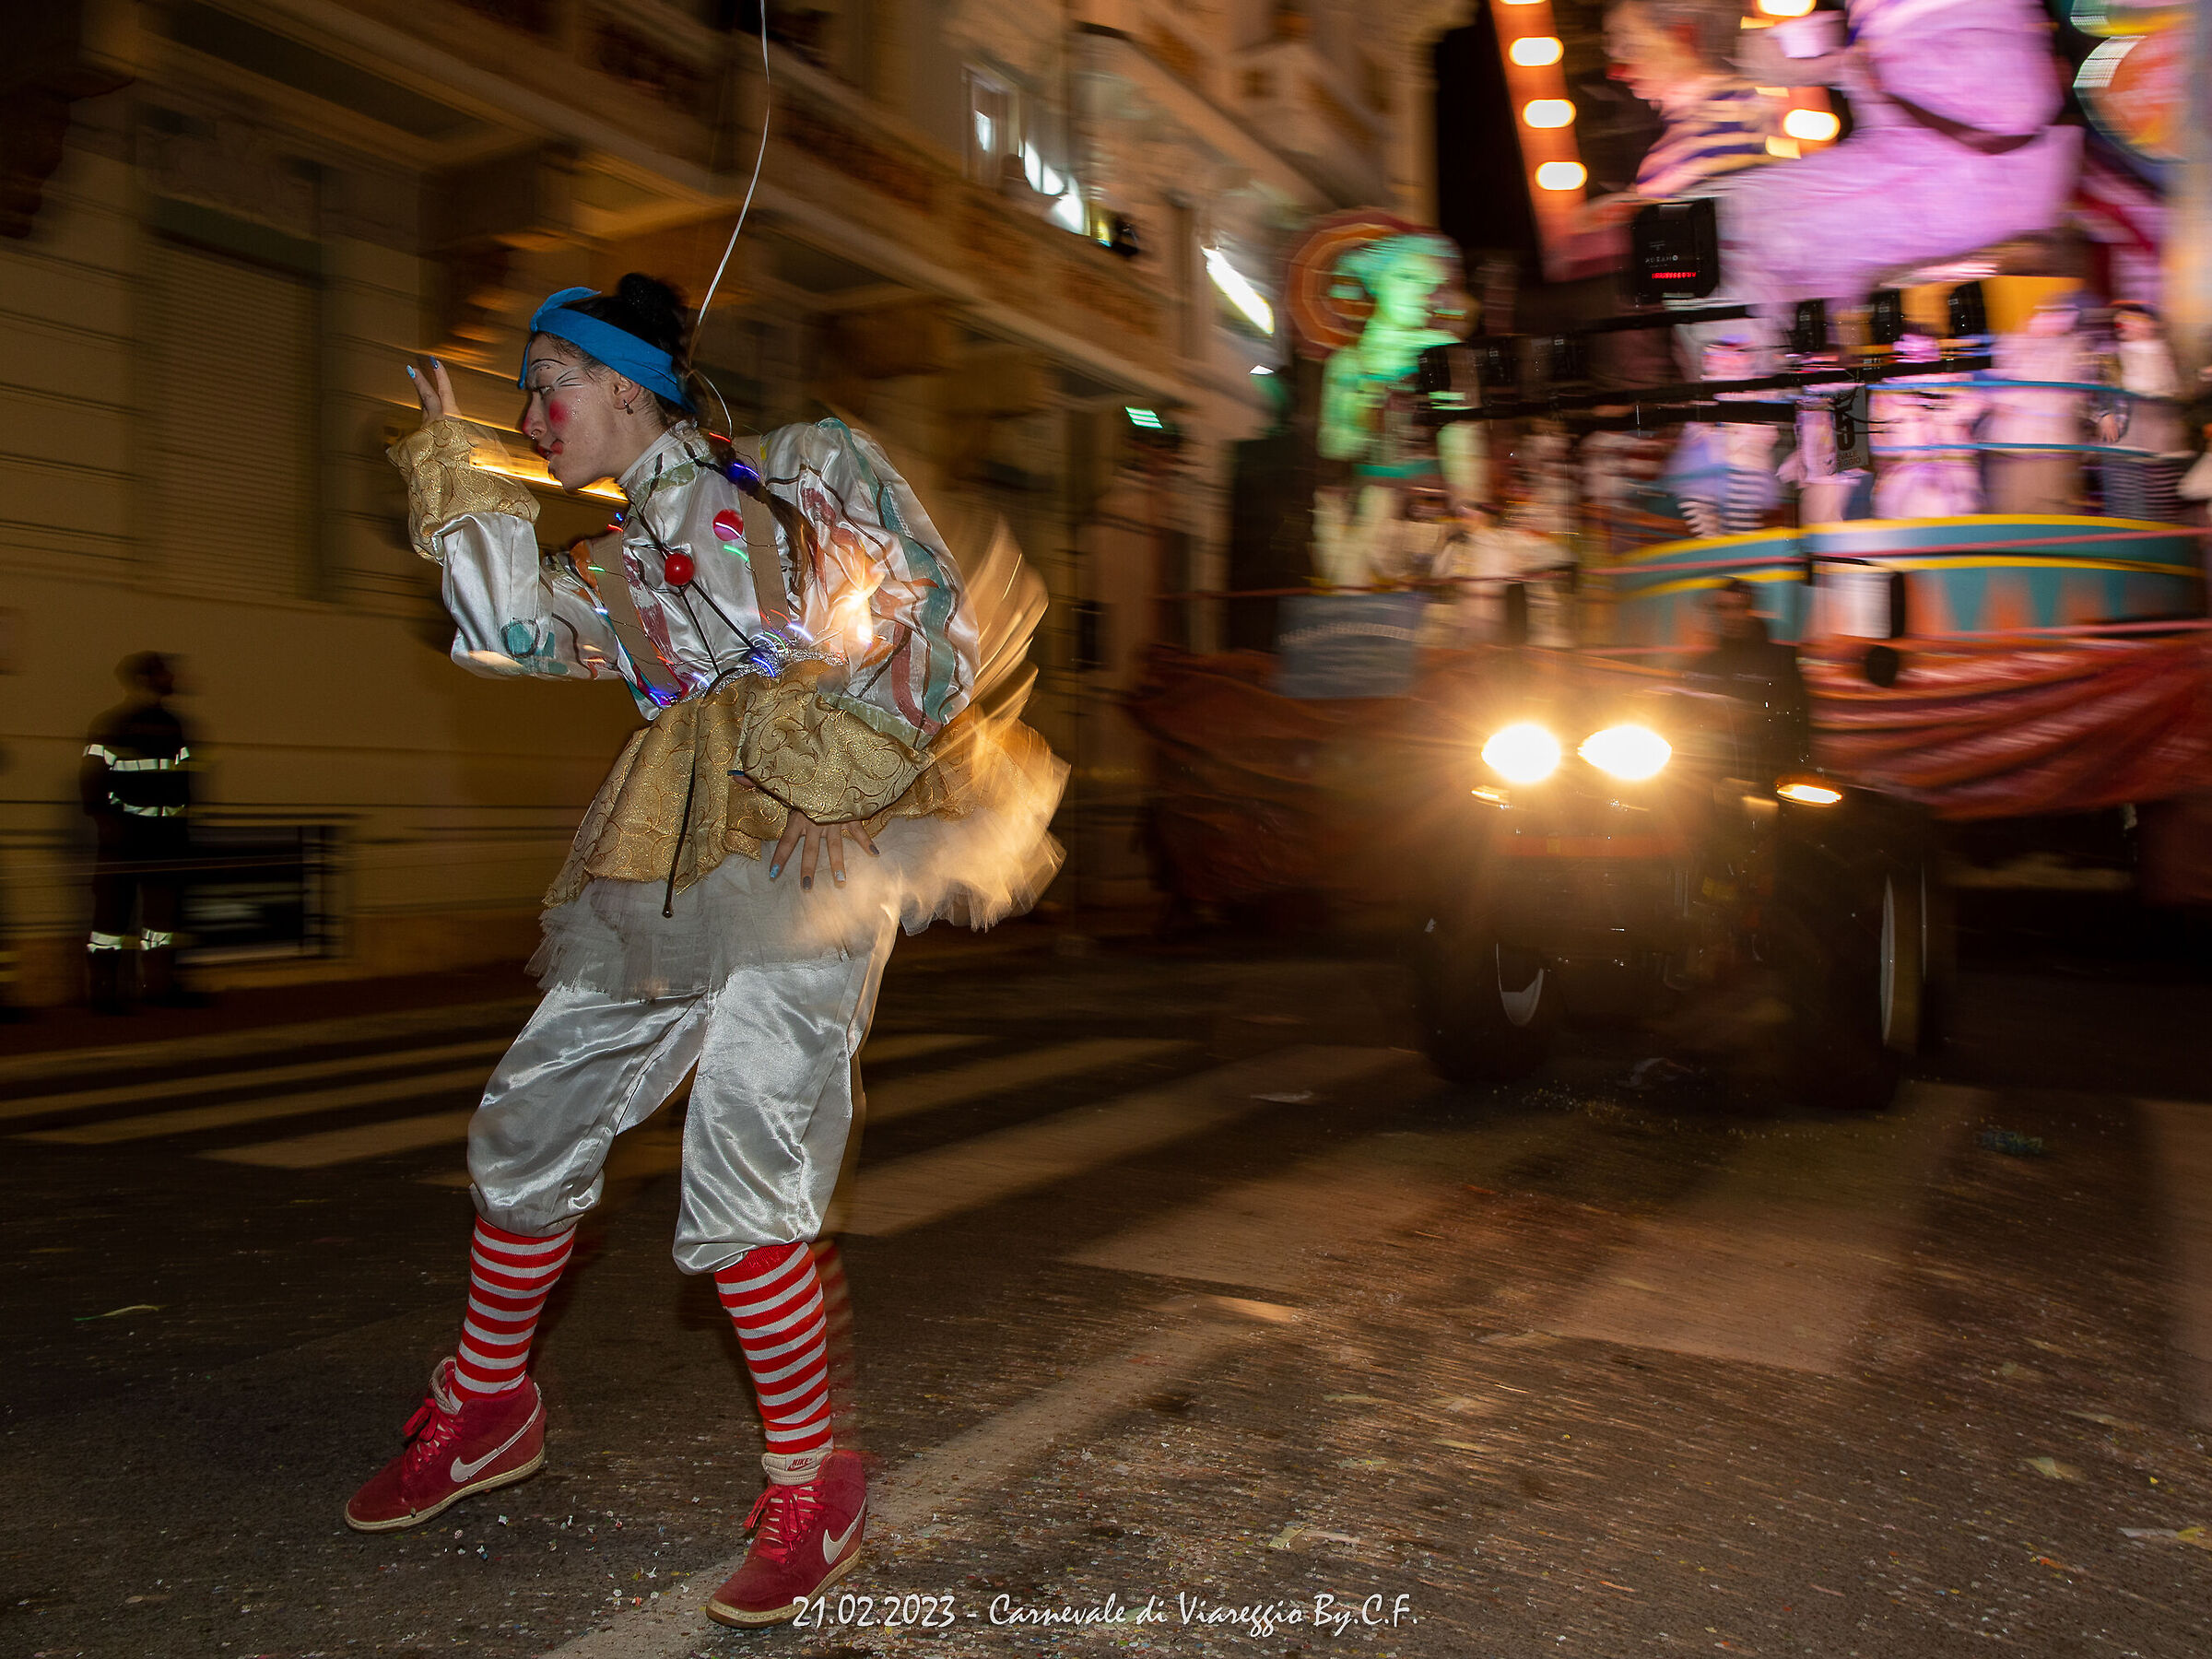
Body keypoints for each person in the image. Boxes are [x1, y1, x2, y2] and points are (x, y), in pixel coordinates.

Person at [347, 275, 1064, 1628]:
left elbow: (930, 600)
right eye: (524, 397)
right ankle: (488, 1404)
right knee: (534, 1114)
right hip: (666, 846)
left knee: (752, 1146)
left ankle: (813, 1482)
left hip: (815, 851)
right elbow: (508, 633)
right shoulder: (611, 564)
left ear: (628, 383)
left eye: (548, 383)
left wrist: (848, 767)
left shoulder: (802, 469)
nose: (532, 415)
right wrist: (460, 479)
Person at [79, 651, 195, 1013]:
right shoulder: (116, 725)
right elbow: (92, 784)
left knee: (158, 920)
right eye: (164, 673)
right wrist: (112, 825)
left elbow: (185, 781)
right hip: (130, 838)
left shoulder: (171, 726)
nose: (172, 678)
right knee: (112, 920)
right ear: (146, 679)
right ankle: (105, 994)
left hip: (158, 838)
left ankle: (156, 988)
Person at [1687, 579, 1811, 771]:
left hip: (1764, 768)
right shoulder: (1703, 665)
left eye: (1740, 607)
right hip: (1705, 767)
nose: (1731, 616)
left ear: (1752, 611)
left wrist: (1749, 720)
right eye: (1723, 608)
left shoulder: (1781, 661)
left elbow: (1795, 721)